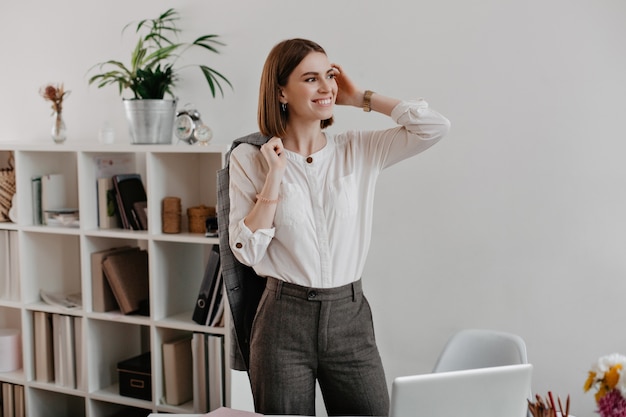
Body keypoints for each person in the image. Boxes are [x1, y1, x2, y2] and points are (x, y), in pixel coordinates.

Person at [225, 38, 450, 416]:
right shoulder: (251, 158)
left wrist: (361, 96)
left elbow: (434, 127)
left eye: (329, 76)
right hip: (282, 321)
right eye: (310, 79)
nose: (327, 86)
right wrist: (275, 178)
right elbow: (247, 250)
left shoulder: (358, 150)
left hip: (350, 318)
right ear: (281, 91)